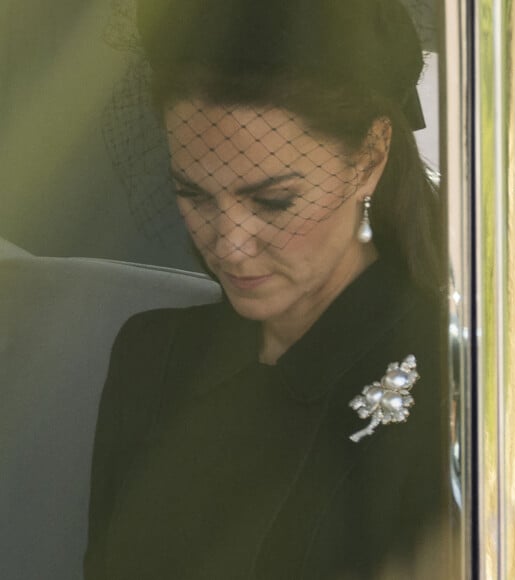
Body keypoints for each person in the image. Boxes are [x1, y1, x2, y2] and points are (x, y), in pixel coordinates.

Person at [84, 0, 446, 578]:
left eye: (273, 200)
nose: (228, 244)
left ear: (369, 159)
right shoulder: (148, 355)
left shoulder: (460, 384)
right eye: (194, 194)